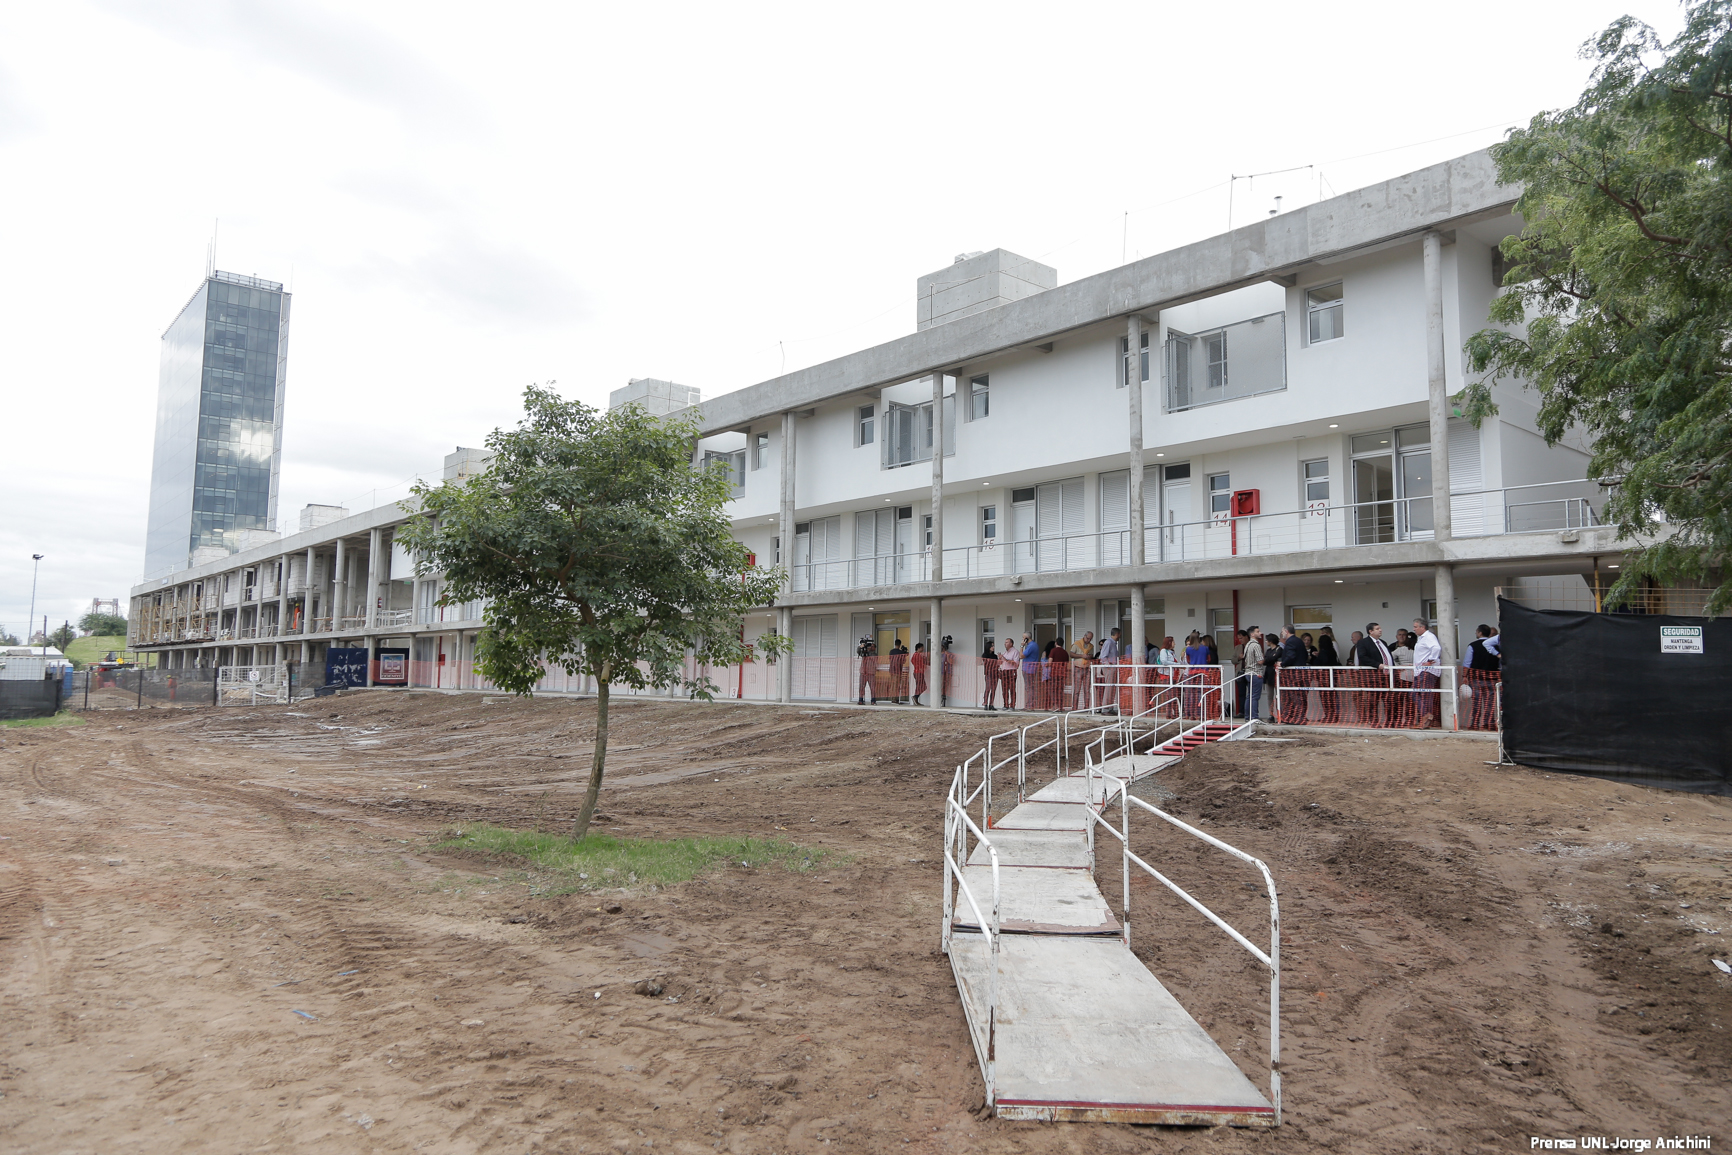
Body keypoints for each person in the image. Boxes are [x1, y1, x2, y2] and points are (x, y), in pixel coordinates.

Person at [1353, 622, 1394, 727]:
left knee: (1389, 699)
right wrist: (1378, 665)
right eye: (1377, 629)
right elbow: (1362, 657)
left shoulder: (1383, 642)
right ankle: (1374, 721)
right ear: (1370, 631)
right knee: (1373, 699)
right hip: (1373, 676)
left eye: (1380, 628)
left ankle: (1390, 721)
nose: (1380, 630)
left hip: (1387, 676)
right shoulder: (1363, 642)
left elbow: (1388, 656)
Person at [1462, 623, 1500, 730]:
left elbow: (1467, 663)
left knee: (1476, 702)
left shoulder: (1472, 646)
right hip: (1492, 679)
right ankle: (1489, 724)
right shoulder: (1496, 646)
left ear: (1480, 633)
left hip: (1476, 679)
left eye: (1476, 631)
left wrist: (1464, 676)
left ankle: (1475, 723)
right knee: (1490, 703)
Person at [1411, 618, 1442, 728]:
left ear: (1422, 627)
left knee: (1424, 695)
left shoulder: (1429, 636)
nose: (1414, 629)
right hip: (1420, 671)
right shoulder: (1422, 638)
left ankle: (1426, 717)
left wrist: (1430, 660)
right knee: (1416, 694)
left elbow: (1436, 648)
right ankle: (1426, 716)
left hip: (1427, 671)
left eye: (1415, 627)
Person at [1276, 626, 1310, 723]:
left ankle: (1296, 718)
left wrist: (1282, 663)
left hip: (1294, 674)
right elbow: (1305, 656)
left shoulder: (1290, 642)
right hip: (1301, 673)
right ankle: (1299, 717)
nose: (1282, 633)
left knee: (1294, 696)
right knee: (1300, 696)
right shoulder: (1299, 641)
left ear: (1286, 631)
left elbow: (1291, 656)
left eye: (1282, 631)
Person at [1096, 627, 1121, 712]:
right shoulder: (1108, 642)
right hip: (1109, 668)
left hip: (1113, 667)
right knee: (1109, 687)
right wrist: (1108, 665)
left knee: (1112, 688)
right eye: (1119, 634)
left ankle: (1110, 707)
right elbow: (1103, 656)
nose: (1120, 636)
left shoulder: (1113, 643)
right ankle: (1106, 708)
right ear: (1117, 634)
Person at [1244, 627, 1266, 722]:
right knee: (1255, 697)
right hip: (1256, 673)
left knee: (1249, 696)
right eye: (1257, 631)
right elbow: (1260, 661)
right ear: (1252, 634)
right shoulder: (1256, 645)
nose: (1260, 633)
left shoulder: (1247, 645)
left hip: (1248, 673)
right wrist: (1265, 658)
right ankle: (1254, 717)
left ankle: (1247, 716)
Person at [1000, 636, 1022, 709]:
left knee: (1012, 689)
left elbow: (1016, 664)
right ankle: (1005, 704)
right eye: (1005, 642)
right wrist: (1000, 659)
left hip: (1011, 671)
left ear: (1011, 644)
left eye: (1007, 642)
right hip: (1004, 671)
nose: (1005, 644)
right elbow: (1001, 662)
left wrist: (1006, 660)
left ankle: (1012, 705)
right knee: (1004, 689)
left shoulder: (1015, 652)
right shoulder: (1005, 653)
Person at [1020, 633, 1040, 711]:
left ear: (1026, 638)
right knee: (1029, 687)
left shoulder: (1031, 646)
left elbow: (1021, 656)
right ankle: (1029, 704)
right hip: (1030, 669)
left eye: (1023, 637)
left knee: (1029, 688)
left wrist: (1021, 646)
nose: (1022, 639)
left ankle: (1029, 705)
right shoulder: (1032, 645)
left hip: (1028, 669)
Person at [856, 636, 878, 705]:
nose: (870, 647)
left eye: (872, 646)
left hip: (871, 673)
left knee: (872, 687)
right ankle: (860, 699)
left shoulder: (874, 654)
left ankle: (873, 700)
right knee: (861, 687)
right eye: (870, 646)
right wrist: (861, 646)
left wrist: (868, 651)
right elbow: (858, 652)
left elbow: (873, 658)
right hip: (863, 672)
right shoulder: (864, 652)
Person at [980, 636, 1001, 710]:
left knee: (994, 689)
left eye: (993, 646)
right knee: (988, 688)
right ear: (988, 647)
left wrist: (999, 660)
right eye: (992, 646)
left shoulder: (995, 656)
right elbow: (987, 663)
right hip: (988, 673)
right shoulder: (985, 655)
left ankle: (991, 704)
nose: (993, 647)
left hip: (995, 673)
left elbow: (997, 664)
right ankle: (985, 703)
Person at [910, 642, 929, 706]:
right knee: (922, 686)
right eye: (922, 647)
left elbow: (912, 661)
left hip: (917, 672)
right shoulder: (917, 655)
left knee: (920, 686)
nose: (923, 649)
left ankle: (916, 699)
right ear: (918, 648)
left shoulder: (915, 655)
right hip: (919, 672)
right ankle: (915, 697)